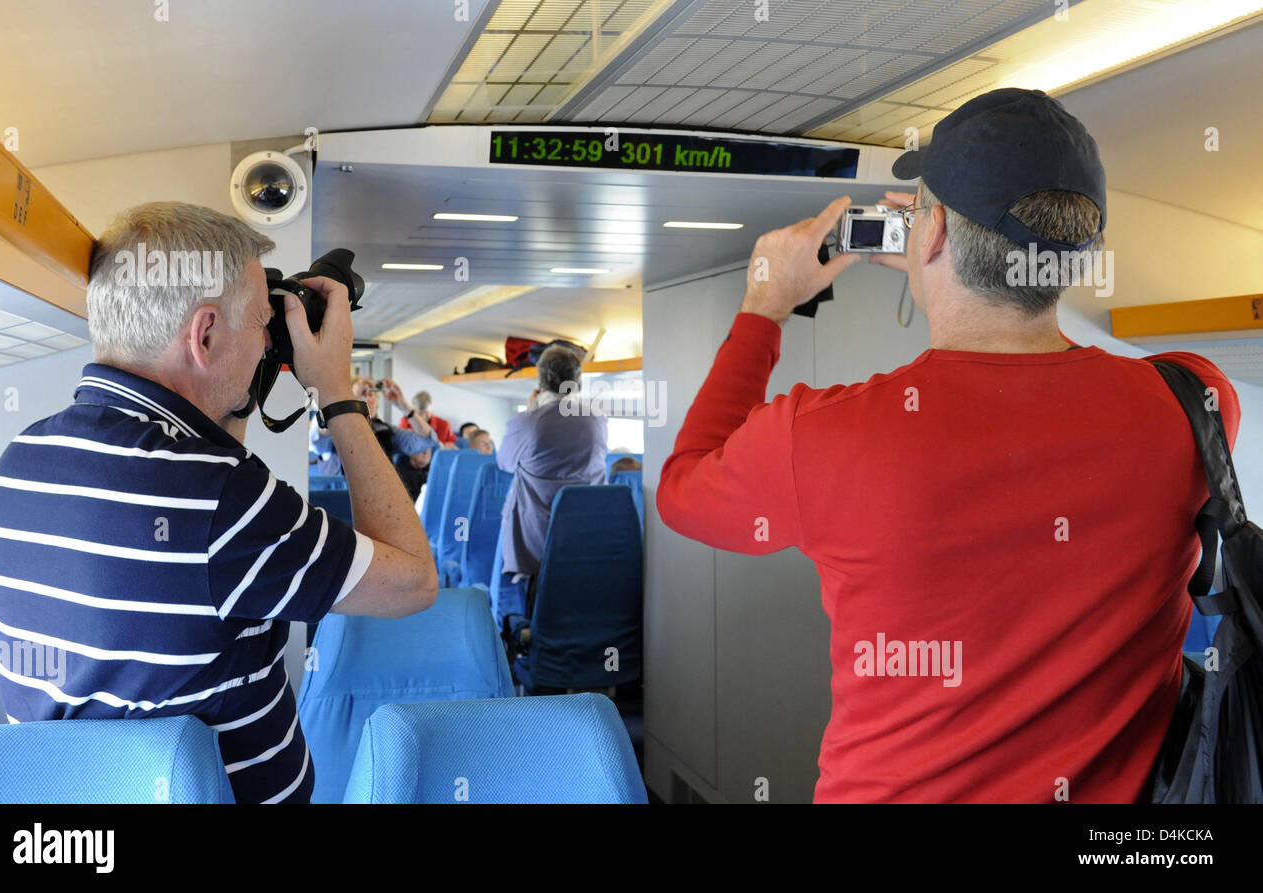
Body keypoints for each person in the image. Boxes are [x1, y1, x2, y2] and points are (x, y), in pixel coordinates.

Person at [656, 88, 1242, 804]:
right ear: (1082, 254)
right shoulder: (1194, 404)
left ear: (928, 233)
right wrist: (955, 247)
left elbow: (683, 491)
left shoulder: (820, 435)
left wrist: (766, 303)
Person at [0, 201, 439, 804]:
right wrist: (336, 394)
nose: (268, 338)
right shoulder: (220, 500)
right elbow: (414, 581)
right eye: (260, 323)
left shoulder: (20, 459)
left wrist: (246, 378)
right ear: (205, 334)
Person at [497, 346, 606, 594]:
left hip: (538, 537)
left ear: (541, 380)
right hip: (589, 530)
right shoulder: (597, 419)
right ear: (578, 380)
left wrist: (532, 410)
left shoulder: (528, 422)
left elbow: (505, 463)